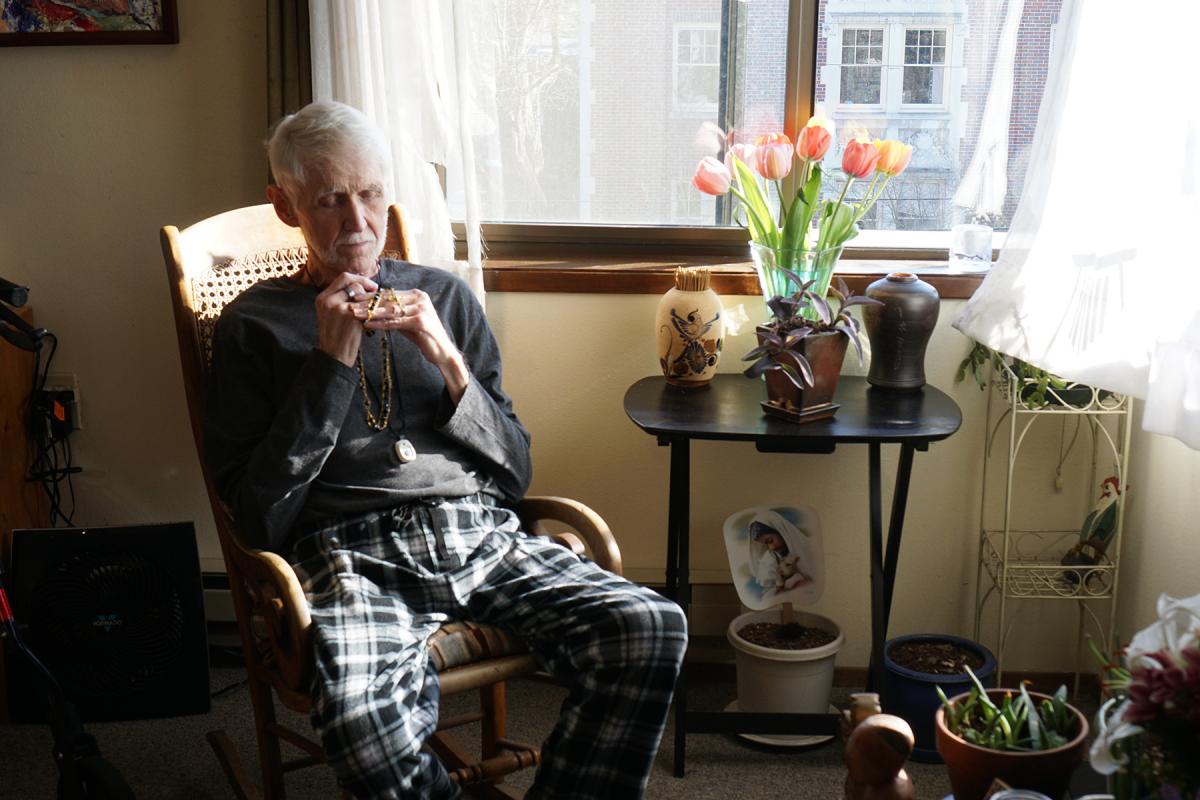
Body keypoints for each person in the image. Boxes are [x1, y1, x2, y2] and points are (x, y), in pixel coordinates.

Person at [203, 100, 687, 800]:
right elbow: (257, 514)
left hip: (480, 535)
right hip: (350, 556)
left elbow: (515, 469)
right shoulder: (253, 325)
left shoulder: (444, 298)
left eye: (369, 194)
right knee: (362, 718)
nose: (357, 222)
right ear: (287, 207)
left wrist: (445, 355)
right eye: (329, 200)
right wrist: (331, 364)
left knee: (648, 625)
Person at [749, 510, 812, 594]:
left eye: (770, 540)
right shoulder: (771, 556)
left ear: (780, 531)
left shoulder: (803, 547)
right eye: (766, 544)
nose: (771, 547)